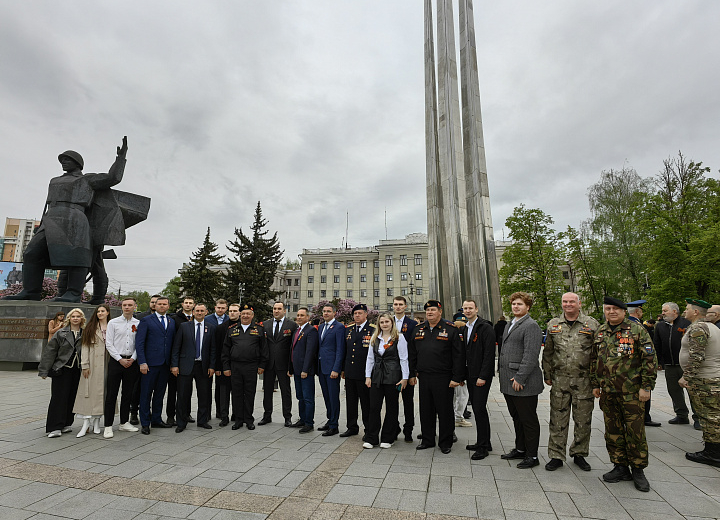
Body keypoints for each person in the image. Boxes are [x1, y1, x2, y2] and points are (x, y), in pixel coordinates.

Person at [3, 139, 127, 302]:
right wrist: (42, 222)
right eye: (62, 160)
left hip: (75, 217)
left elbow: (112, 178)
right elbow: (46, 205)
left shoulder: (87, 179)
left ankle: (74, 293)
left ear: (78, 163)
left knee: (77, 255)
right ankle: (31, 291)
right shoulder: (54, 180)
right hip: (51, 217)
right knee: (32, 253)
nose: (64, 162)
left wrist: (120, 158)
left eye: (67, 159)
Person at [591, 296, 656, 492]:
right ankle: (620, 466)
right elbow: (594, 359)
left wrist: (646, 387)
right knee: (613, 431)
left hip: (632, 392)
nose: (611, 312)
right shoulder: (600, 331)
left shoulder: (637, 330)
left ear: (623, 311)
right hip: (608, 393)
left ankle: (638, 469)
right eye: (608, 309)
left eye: (615, 309)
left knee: (635, 432)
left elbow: (649, 359)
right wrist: (595, 384)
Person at [542, 292, 599, 472]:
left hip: (584, 381)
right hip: (560, 380)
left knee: (583, 420)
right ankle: (556, 455)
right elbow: (548, 352)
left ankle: (579, 453)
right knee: (557, 419)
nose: (568, 304)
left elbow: (597, 354)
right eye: (565, 302)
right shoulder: (553, 324)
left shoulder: (592, 324)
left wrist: (597, 381)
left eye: (572, 302)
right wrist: (547, 374)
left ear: (579, 303)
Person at [409, 300, 465, 454]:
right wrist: (412, 373)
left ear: (440, 312)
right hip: (424, 376)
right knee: (426, 410)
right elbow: (412, 353)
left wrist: (457, 377)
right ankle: (427, 439)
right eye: (428, 310)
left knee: (444, 410)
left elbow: (458, 355)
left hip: (444, 377)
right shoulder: (418, 329)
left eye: (433, 310)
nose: (430, 312)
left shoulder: (450, 329)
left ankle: (445, 442)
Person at [498, 292, 544, 469]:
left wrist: (520, 377)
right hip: (508, 381)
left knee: (528, 419)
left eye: (520, 304)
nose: (516, 307)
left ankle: (532, 456)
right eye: (514, 304)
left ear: (528, 307)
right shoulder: (510, 323)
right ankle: (520, 449)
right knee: (517, 417)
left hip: (523, 382)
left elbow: (531, 355)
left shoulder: (531, 325)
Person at [678, 299, 720, 467]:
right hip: (711, 378)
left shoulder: (698, 328)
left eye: (687, 308)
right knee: (714, 415)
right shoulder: (712, 326)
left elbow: (697, 355)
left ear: (695, 312)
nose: (684, 311)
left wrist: (686, 376)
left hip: (704, 380)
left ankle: (712, 454)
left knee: (709, 416)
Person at [363, 312, 409, 449]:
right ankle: (372, 438)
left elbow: (404, 359)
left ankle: (388, 438)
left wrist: (405, 378)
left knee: (391, 407)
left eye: (387, 322)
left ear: (392, 323)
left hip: (393, 376)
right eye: (382, 322)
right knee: (374, 407)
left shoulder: (399, 338)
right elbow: (370, 358)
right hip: (377, 376)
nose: (384, 324)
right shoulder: (375, 337)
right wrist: (368, 376)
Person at [38, 308, 85, 437]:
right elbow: (50, 351)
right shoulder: (61, 333)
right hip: (61, 369)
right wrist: (44, 370)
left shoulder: (85, 333)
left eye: (78, 316)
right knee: (58, 398)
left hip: (77, 370)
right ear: (69, 318)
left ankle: (66, 423)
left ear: (82, 319)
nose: (75, 318)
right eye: (73, 316)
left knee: (72, 397)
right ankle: (54, 427)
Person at [222, 304, 268, 430]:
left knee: (249, 393)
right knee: (236, 393)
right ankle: (238, 420)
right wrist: (226, 367)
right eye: (243, 313)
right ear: (240, 315)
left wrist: (262, 365)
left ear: (252, 316)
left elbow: (264, 349)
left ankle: (248, 419)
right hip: (235, 366)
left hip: (251, 366)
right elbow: (225, 350)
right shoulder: (232, 329)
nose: (245, 316)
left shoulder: (259, 329)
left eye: (248, 314)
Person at [171, 303, 216, 432]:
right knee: (183, 395)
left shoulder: (211, 327)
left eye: (202, 311)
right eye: (197, 311)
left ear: (206, 312)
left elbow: (213, 349)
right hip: (185, 365)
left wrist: (212, 366)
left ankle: (202, 421)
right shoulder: (184, 326)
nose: (199, 313)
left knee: (204, 395)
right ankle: (181, 422)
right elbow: (176, 347)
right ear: (193, 312)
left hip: (203, 366)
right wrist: (174, 365)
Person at [135, 296, 176, 434]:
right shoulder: (146, 320)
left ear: (168, 306)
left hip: (165, 364)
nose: (162, 306)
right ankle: (145, 423)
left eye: (164, 304)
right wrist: (142, 362)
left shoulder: (171, 321)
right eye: (159, 304)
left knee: (160, 393)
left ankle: (156, 419)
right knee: (146, 394)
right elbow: (139, 343)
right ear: (155, 306)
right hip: (149, 364)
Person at [462, 299, 496, 461]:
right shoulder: (465, 328)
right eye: (465, 308)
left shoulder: (485, 327)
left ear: (476, 309)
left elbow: (489, 354)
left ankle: (483, 447)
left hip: (481, 376)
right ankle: (484, 442)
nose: (468, 311)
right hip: (470, 374)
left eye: (470, 308)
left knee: (479, 409)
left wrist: (483, 376)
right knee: (477, 408)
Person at [654, 302, 697, 428]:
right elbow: (657, 344)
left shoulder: (686, 323)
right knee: (673, 390)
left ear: (675, 311)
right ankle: (681, 415)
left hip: (686, 365)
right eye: (662, 311)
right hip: (669, 364)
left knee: (692, 391)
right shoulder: (660, 326)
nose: (663, 313)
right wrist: (659, 362)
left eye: (665, 311)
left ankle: (698, 417)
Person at [103, 297, 140, 438]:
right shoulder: (113, 323)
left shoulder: (138, 323)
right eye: (124, 305)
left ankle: (124, 422)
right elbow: (109, 343)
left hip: (131, 362)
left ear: (135, 307)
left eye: (130, 305)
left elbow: (139, 343)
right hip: (116, 362)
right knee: (111, 394)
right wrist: (119, 359)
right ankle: (108, 425)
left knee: (128, 394)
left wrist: (133, 358)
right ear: (121, 307)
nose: (127, 307)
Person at [73, 305, 111, 437]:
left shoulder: (112, 326)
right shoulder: (90, 328)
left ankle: (97, 421)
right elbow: (85, 347)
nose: (100, 313)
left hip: (107, 363)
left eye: (102, 311)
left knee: (102, 393)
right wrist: (85, 365)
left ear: (108, 312)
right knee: (88, 392)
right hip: (92, 364)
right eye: (98, 311)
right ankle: (86, 423)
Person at [260, 302, 297, 427]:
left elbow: (293, 346)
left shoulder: (291, 325)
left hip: (283, 364)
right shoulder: (265, 324)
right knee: (267, 391)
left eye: (279, 309)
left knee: (285, 392)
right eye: (274, 308)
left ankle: (287, 417)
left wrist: (291, 366)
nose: (276, 311)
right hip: (269, 364)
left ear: (284, 310)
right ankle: (267, 416)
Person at [626, 301, 661, 428]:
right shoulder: (637, 325)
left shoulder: (630, 324)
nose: (642, 313)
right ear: (637, 311)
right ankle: (644, 417)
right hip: (639, 367)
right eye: (641, 310)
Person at [341, 303, 373, 438]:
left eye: (360, 313)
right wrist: (343, 369)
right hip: (350, 372)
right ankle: (352, 427)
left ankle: (368, 429)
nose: (357, 315)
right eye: (355, 313)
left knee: (366, 403)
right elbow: (345, 350)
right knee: (351, 402)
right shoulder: (348, 329)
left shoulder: (372, 329)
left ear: (366, 314)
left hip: (364, 373)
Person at [316, 303, 346, 436]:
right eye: (324, 311)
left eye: (328, 311)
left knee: (333, 397)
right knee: (326, 396)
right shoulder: (321, 327)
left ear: (334, 313)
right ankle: (330, 420)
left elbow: (340, 349)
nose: (326, 313)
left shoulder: (339, 327)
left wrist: (336, 368)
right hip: (322, 367)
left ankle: (334, 425)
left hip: (332, 369)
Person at [289, 307, 319, 433]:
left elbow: (310, 352)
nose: (299, 317)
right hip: (296, 369)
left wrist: (305, 370)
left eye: (302, 315)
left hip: (305, 371)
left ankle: (309, 423)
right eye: (298, 315)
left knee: (308, 398)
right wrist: (290, 368)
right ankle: (302, 419)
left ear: (308, 317)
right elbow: (292, 350)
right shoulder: (297, 330)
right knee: (300, 396)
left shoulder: (311, 330)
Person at [393, 296, 418, 442]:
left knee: (408, 401)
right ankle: (394, 428)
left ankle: (408, 430)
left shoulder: (412, 324)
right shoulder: (387, 322)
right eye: (395, 304)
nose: (398, 307)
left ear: (405, 307)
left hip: (407, 368)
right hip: (391, 369)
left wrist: (412, 373)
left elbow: (414, 349)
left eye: (400, 304)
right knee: (392, 401)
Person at [168, 296, 196, 426]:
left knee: (187, 390)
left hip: (190, 360)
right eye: (186, 303)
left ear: (194, 305)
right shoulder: (175, 319)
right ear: (182, 304)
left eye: (190, 303)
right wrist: (173, 362)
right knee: (173, 389)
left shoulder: (196, 318)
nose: (188, 305)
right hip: (177, 359)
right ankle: (171, 416)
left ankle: (186, 413)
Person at [212, 302, 239, 426]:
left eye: (235, 311)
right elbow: (217, 349)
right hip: (223, 366)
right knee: (223, 393)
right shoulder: (221, 328)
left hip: (238, 366)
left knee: (237, 392)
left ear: (239, 313)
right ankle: (224, 416)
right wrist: (217, 367)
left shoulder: (243, 326)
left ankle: (236, 414)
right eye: (231, 311)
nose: (232, 313)